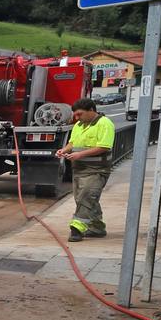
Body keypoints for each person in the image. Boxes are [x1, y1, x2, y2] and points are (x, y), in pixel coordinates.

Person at [56, 98, 113, 242]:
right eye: (75, 115)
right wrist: (64, 150)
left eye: (79, 114)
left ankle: (77, 229)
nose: (76, 118)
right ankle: (97, 227)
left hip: (97, 170)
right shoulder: (79, 125)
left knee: (86, 197)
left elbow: (104, 147)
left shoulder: (104, 124)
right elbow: (72, 143)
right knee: (84, 198)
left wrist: (80, 154)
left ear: (91, 110)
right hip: (79, 169)